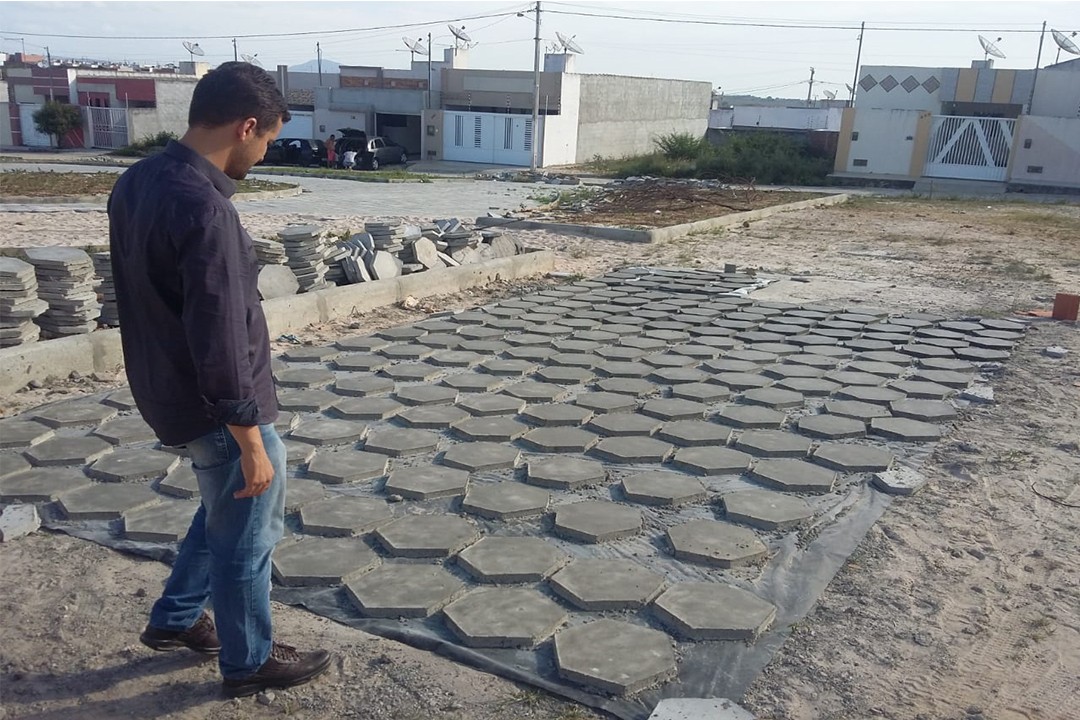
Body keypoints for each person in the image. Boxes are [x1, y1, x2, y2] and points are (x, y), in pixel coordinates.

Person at [107, 61, 332, 699]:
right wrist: (250, 435)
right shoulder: (204, 208)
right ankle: (249, 660)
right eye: (264, 143)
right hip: (220, 406)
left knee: (222, 515)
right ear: (247, 126)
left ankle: (176, 620)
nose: (260, 157)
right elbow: (220, 332)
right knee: (249, 537)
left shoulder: (137, 180)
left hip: (167, 387)